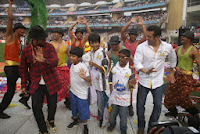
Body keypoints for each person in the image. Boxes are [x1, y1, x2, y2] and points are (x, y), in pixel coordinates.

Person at [134, 25, 177, 134]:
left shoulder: (167, 47)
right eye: (146, 36)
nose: (146, 38)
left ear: (157, 37)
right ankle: (141, 126)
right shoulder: (141, 47)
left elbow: (173, 59)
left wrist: (171, 73)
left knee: (158, 105)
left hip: (158, 82)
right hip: (144, 81)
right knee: (140, 105)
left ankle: (152, 126)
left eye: (149, 36)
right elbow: (137, 62)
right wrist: (144, 70)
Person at [19, 25, 61, 134]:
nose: (45, 40)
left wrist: (44, 60)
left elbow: (55, 62)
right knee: (36, 107)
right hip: (36, 84)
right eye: (42, 39)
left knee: (52, 105)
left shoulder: (49, 47)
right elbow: (23, 69)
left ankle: (50, 121)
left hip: (51, 81)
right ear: (34, 40)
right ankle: (43, 129)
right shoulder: (26, 51)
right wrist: (23, 85)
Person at [0, 0, 26, 119]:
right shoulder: (10, 36)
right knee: (10, 91)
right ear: (16, 30)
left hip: (16, 67)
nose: (23, 30)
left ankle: (24, 98)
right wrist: (10, 4)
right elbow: (10, 19)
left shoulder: (19, 41)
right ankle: (0, 110)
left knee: (30, 79)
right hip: (11, 68)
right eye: (21, 29)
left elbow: (17, 56)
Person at [164, 30, 200, 117]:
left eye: (184, 37)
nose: (182, 38)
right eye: (182, 36)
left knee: (183, 96)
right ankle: (172, 110)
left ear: (189, 39)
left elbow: (199, 65)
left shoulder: (193, 50)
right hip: (177, 76)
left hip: (187, 77)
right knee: (169, 94)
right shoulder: (177, 49)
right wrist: (175, 67)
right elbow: (170, 59)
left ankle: (194, 112)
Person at [107, 49, 136, 134]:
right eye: (119, 57)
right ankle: (112, 124)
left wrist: (131, 84)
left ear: (127, 59)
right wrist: (111, 90)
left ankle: (123, 129)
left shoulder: (130, 70)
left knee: (123, 116)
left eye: (122, 57)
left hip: (124, 97)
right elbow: (110, 79)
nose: (120, 59)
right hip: (115, 96)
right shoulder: (114, 68)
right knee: (113, 113)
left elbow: (132, 84)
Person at [107, 35, 134, 116]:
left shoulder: (125, 50)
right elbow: (109, 64)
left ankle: (129, 106)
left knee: (127, 91)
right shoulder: (109, 53)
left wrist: (133, 70)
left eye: (114, 44)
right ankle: (116, 106)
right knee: (116, 90)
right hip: (116, 73)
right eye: (111, 44)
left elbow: (132, 60)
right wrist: (108, 73)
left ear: (118, 44)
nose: (112, 46)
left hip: (126, 71)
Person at [67, 47, 91, 134]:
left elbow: (89, 78)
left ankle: (85, 127)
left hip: (81, 94)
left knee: (83, 111)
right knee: (74, 108)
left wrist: (85, 77)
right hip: (73, 91)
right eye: (70, 56)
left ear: (79, 58)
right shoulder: (72, 65)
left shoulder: (82, 67)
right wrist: (70, 85)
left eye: (73, 56)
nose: (71, 58)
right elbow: (73, 76)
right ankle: (75, 120)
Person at [87, 33, 109, 128]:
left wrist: (94, 64)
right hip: (92, 83)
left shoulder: (103, 53)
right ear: (90, 43)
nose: (94, 45)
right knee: (93, 101)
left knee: (100, 104)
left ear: (99, 43)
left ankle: (102, 119)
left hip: (100, 83)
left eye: (96, 42)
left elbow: (104, 69)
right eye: (92, 43)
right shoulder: (90, 53)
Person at [51, 28, 71, 109]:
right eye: (53, 32)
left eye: (56, 33)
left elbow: (70, 57)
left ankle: (68, 101)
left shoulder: (66, 45)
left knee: (67, 84)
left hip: (62, 67)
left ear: (60, 35)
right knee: (53, 87)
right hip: (53, 68)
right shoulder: (50, 44)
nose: (54, 34)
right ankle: (52, 102)